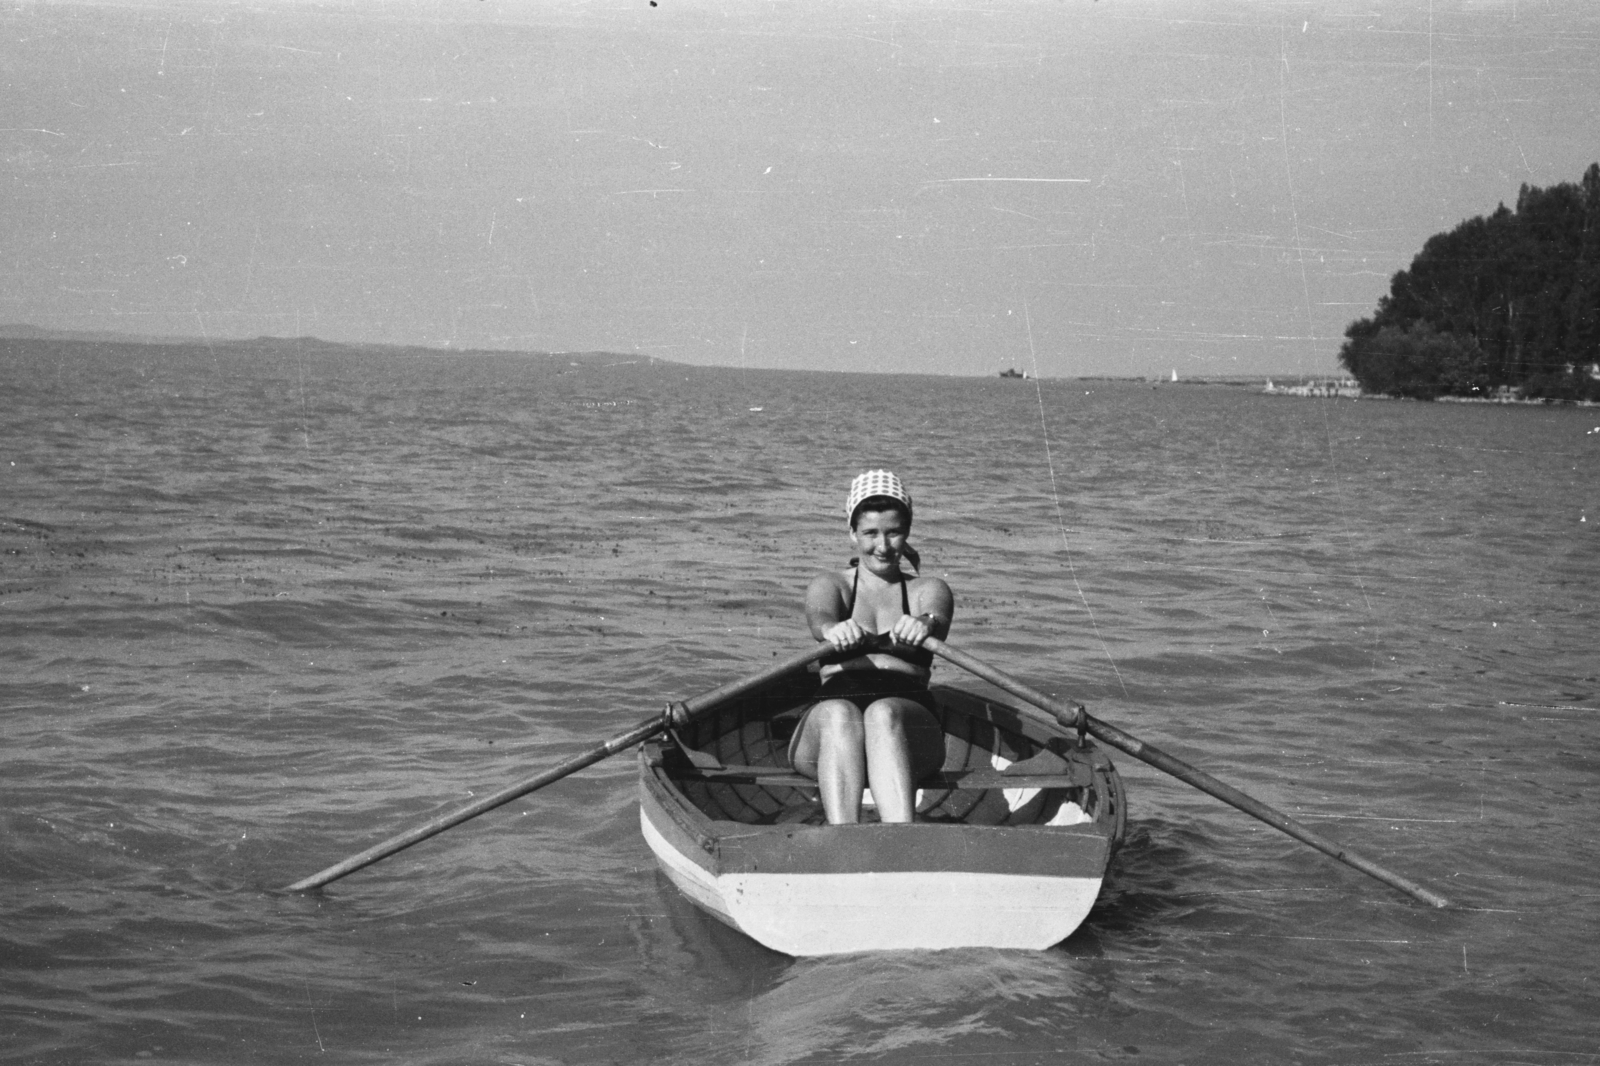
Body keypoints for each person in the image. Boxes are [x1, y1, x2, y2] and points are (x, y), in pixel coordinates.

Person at [788, 470, 953, 824]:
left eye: (893, 533)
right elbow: (819, 617)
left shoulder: (928, 587)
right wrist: (832, 629)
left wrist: (925, 623)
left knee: (882, 713)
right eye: (870, 533)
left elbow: (936, 613)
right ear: (852, 534)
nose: (883, 545)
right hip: (829, 734)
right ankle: (842, 838)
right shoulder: (831, 584)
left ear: (906, 533)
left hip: (907, 731)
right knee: (838, 713)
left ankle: (900, 838)